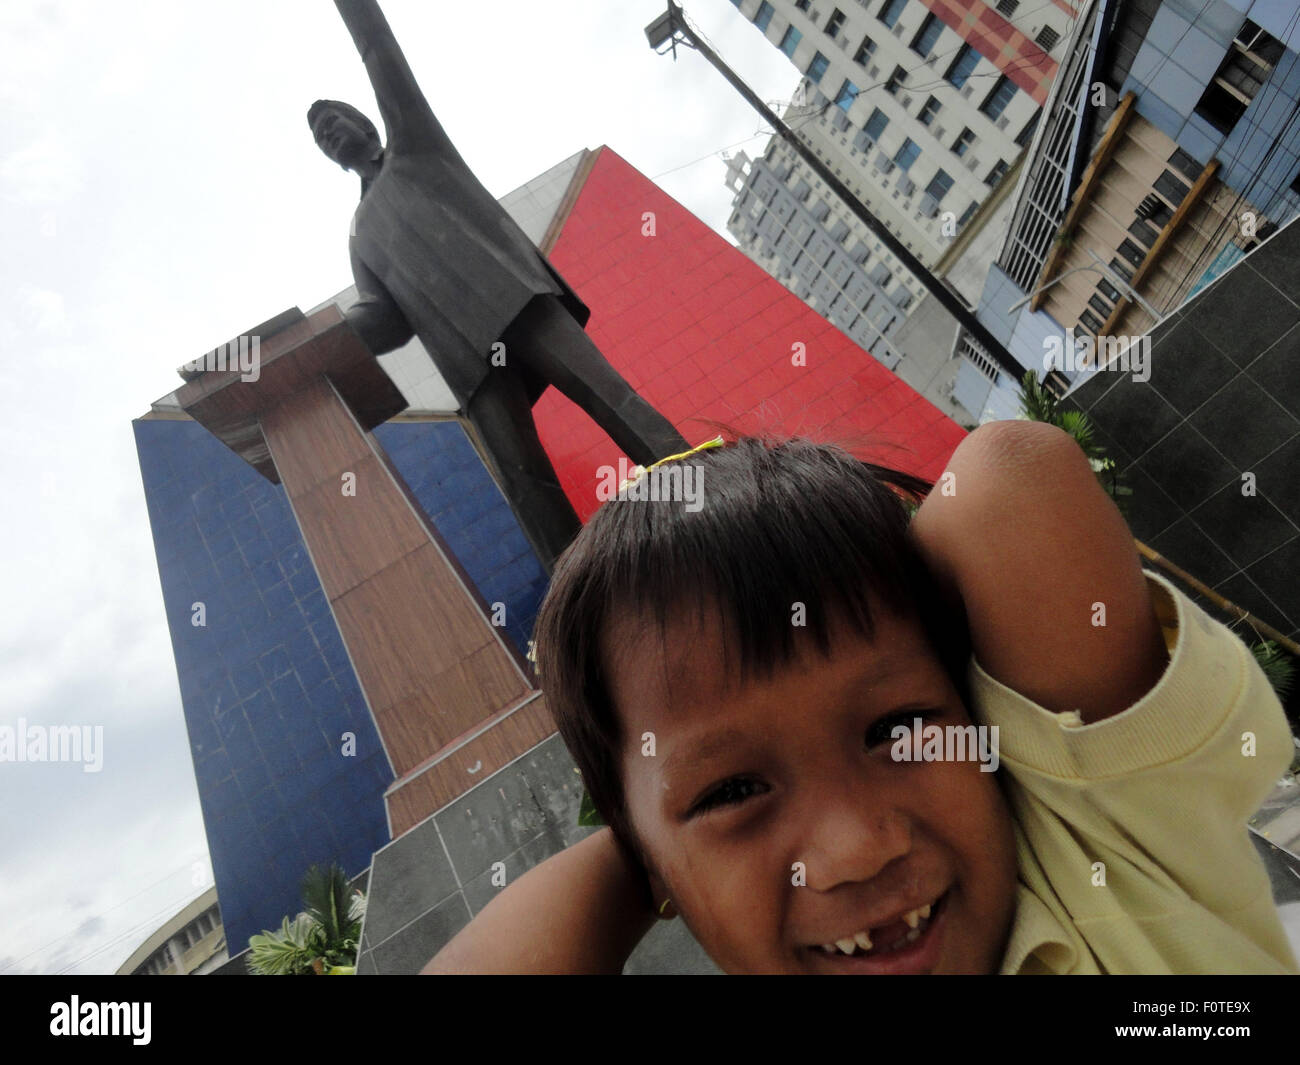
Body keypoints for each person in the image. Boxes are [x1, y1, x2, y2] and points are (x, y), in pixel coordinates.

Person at [422, 420, 1298, 974]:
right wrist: (648, 854)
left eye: (899, 728)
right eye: (732, 789)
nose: (854, 850)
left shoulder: (1112, 855)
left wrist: (675, 833)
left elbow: (1009, 482)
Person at [310, 0, 688, 572]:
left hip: (515, 301)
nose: (329, 131)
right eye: (319, 135)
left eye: (333, 118)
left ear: (365, 121)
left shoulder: (414, 144)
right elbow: (381, 318)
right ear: (328, 161)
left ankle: (706, 495)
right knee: (525, 485)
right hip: (465, 361)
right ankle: (576, 593)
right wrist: (321, 341)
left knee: (612, 400)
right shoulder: (359, 234)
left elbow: (378, 48)